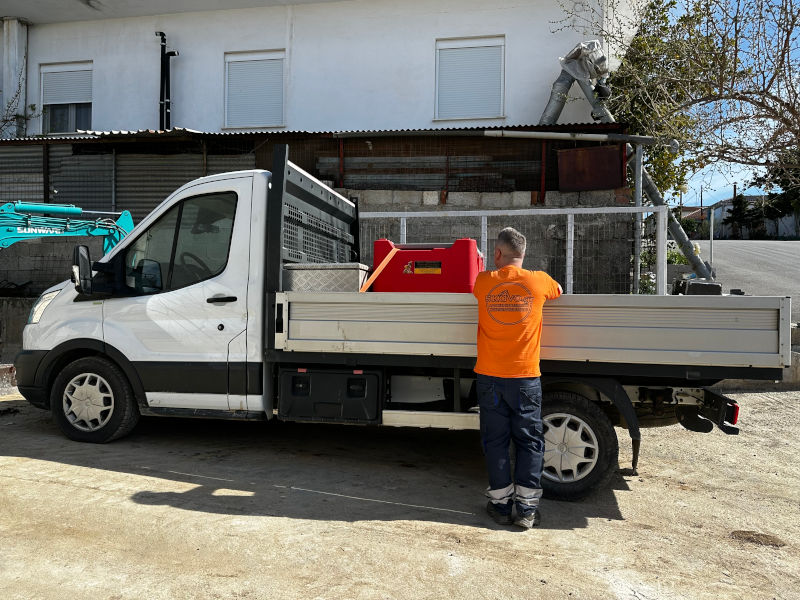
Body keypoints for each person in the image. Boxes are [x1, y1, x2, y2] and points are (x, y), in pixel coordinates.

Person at [472, 227, 562, 529]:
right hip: (525, 378)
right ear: (523, 254)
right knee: (530, 442)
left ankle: (500, 506)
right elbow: (559, 290)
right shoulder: (539, 281)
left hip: (489, 377)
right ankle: (526, 510)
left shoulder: (484, 282)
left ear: (497, 253)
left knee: (495, 441)